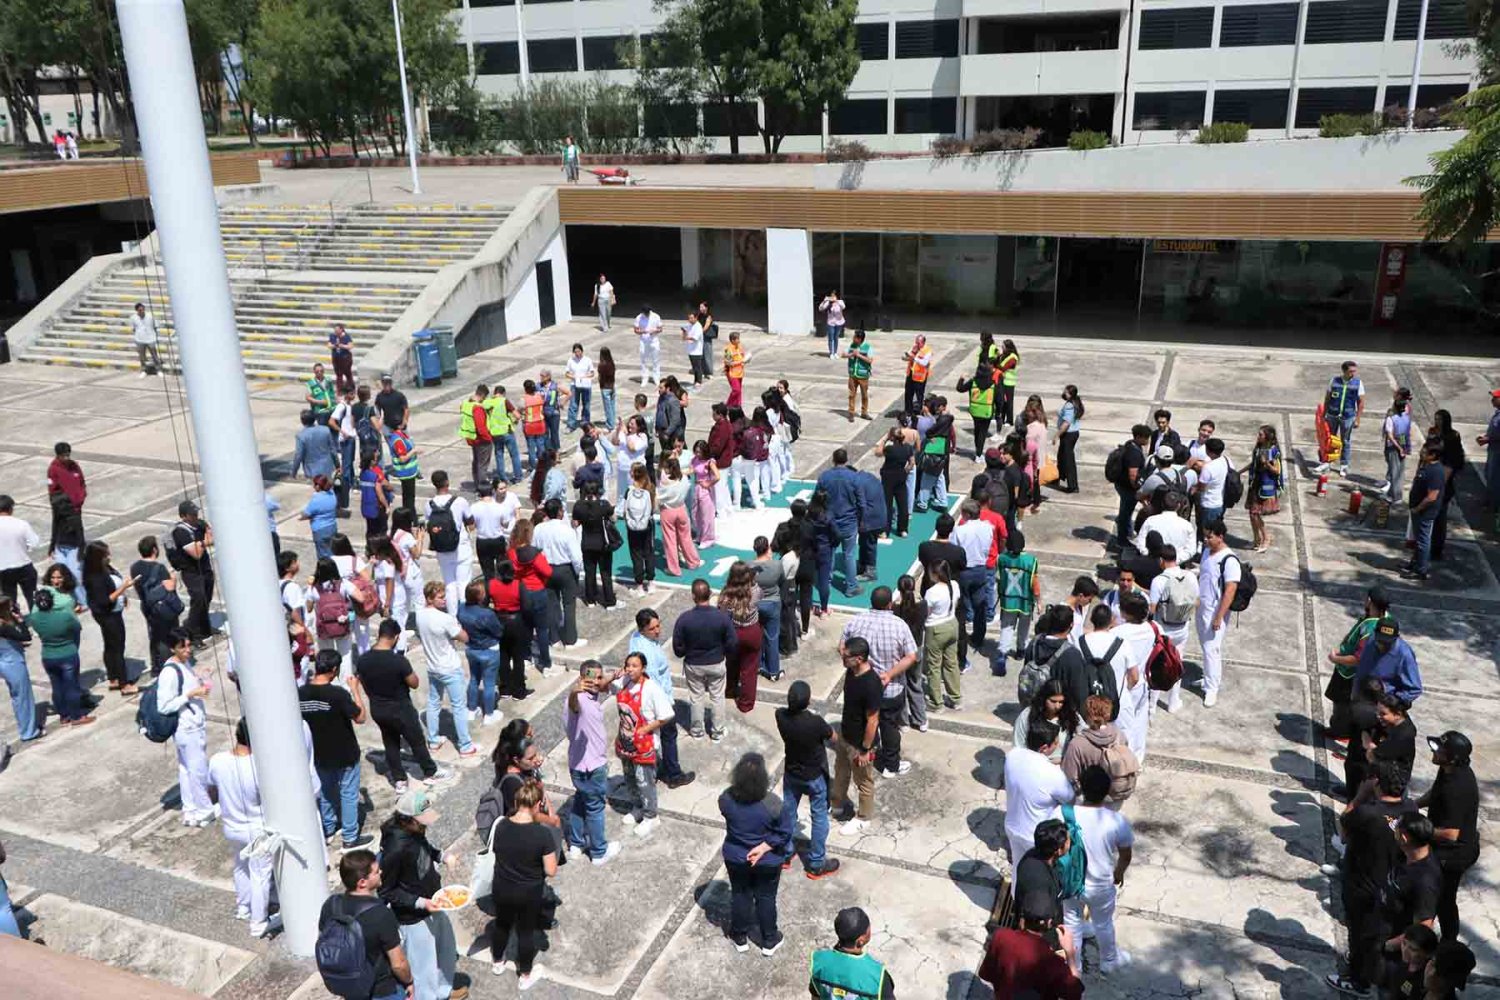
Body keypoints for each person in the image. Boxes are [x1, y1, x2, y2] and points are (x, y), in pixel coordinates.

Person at [377, 791, 463, 1000]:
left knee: (445, 949)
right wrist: (420, 903)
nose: (425, 826)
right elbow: (386, 891)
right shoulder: (395, 847)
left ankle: (442, 992)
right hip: (413, 916)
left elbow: (424, 848)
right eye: (421, 821)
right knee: (423, 969)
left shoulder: (414, 832)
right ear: (407, 820)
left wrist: (442, 856)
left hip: (433, 901)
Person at [355, 620, 451, 791]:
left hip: (378, 709)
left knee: (390, 743)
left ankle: (399, 780)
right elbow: (414, 683)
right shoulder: (398, 661)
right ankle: (430, 772)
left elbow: (362, 681)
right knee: (417, 741)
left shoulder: (363, 660)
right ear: (396, 636)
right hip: (400, 709)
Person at [206, 720, 279, 937]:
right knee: (260, 875)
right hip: (256, 829)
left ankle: (243, 907)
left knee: (240, 867)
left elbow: (211, 791)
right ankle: (258, 922)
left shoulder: (218, 760)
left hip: (231, 826)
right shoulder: (260, 766)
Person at [1062, 765, 1135, 973]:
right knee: (1103, 923)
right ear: (1107, 791)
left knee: (1071, 922)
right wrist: (1118, 873)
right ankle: (1109, 961)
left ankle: (1074, 966)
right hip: (1101, 885)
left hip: (1071, 883)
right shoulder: (1117, 821)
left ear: (1081, 788)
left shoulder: (1063, 813)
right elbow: (1125, 855)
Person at [719, 752, 793, 955]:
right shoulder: (773, 804)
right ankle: (769, 939)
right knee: (766, 897)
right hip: (767, 862)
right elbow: (786, 832)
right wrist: (765, 846)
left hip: (736, 857)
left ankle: (739, 935)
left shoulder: (726, 799)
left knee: (740, 894)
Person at [487, 776, 557, 991]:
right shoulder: (542, 834)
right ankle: (525, 974)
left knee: (502, 924)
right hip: (528, 892)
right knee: (526, 931)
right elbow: (551, 871)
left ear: (516, 803)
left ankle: (498, 962)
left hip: (502, 886)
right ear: (537, 805)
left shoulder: (500, 826)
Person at [841, 586, 918, 776]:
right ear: (890, 604)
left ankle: (866, 748)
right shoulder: (899, 625)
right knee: (889, 725)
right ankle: (891, 765)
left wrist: (855, 669)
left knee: (865, 719)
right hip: (890, 688)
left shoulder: (856, 621)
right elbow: (911, 656)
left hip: (861, 685)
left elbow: (842, 648)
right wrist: (890, 674)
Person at [319, 850, 414, 1000]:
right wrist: (409, 981)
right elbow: (399, 964)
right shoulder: (381, 914)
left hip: (352, 988)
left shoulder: (331, 905)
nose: (381, 872)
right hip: (382, 990)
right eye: (376, 872)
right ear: (362, 882)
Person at [775, 680, 842, 881]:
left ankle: (785, 854)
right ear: (808, 701)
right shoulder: (815, 722)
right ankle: (816, 863)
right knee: (819, 816)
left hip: (792, 773)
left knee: (788, 811)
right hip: (814, 776)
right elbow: (834, 737)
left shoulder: (780, 716)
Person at [1417, 731, 1478, 942]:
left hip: (1453, 854)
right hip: (1443, 845)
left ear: (1452, 757)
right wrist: (1412, 805)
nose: (1434, 752)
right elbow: (1435, 793)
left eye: (1439, 751)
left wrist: (1420, 830)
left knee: (1442, 898)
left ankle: (1447, 941)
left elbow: (1451, 834)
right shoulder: (1447, 769)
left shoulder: (1458, 787)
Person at [562, 661, 621, 865]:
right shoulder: (577, 700)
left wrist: (612, 677)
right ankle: (598, 852)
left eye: (598, 677)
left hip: (576, 766)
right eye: (592, 678)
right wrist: (573, 692)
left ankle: (576, 843)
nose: (596, 681)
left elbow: (599, 684)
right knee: (595, 808)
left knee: (580, 800)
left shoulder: (588, 693)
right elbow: (575, 705)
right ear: (580, 679)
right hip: (592, 766)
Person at [629, 609, 694, 788]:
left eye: (658, 625)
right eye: (652, 628)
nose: (657, 631)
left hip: (650, 698)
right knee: (668, 735)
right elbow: (654, 682)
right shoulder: (646, 652)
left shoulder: (639, 639)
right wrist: (666, 705)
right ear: (642, 629)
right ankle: (673, 774)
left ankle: (656, 768)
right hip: (658, 701)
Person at [978, 890, 1084, 1000]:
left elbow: (987, 974)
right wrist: (1070, 954)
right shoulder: (1053, 962)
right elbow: (1075, 993)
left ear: (1022, 918)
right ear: (1049, 922)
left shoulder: (1001, 936)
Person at [154, 630, 210, 821]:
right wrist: (190, 695)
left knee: (186, 769)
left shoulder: (184, 663)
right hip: (187, 727)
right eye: (182, 647)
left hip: (192, 724)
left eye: (188, 645)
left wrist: (200, 679)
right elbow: (164, 706)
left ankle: (190, 809)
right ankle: (204, 809)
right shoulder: (169, 673)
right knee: (197, 770)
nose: (188, 650)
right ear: (172, 649)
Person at [831, 636, 882, 836]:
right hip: (845, 734)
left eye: (847, 656)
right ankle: (838, 803)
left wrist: (865, 749)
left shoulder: (871, 684)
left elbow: (873, 720)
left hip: (860, 743)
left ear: (859, 658)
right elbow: (841, 648)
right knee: (841, 770)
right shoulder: (851, 670)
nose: (843, 657)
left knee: (864, 781)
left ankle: (863, 817)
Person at [674, 578, 737, 741]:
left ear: (693, 596)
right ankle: (717, 731)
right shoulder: (722, 617)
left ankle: (696, 731)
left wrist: (688, 651)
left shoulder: (684, 619)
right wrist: (722, 653)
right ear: (709, 594)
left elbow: (678, 648)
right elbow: (732, 642)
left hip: (694, 664)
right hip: (716, 662)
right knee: (717, 697)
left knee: (696, 698)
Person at [1003, 718, 1074, 861]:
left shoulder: (1012, 756)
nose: (1058, 744)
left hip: (1012, 827)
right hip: (1035, 836)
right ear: (1044, 748)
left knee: (1018, 867)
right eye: (1055, 742)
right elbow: (1070, 798)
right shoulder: (1053, 773)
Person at [28, 580, 94, 730]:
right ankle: (76, 716)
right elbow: (77, 628)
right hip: (67, 654)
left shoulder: (35, 619)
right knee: (71, 686)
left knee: (57, 686)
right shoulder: (64, 616)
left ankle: (64, 716)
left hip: (48, 656)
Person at [82, 540, 138, 697]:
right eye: (106, 555)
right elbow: (105, 600)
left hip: (109, 612)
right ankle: (124, 683)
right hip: (108, 615)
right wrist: (123, 588)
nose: (109, 556)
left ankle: (113, 678)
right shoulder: (95, 577)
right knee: (117, 647)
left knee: (110, 645)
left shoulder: (101, 569)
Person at [1195, 519, 1239, 708]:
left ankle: (1212, 688)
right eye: (1205, 536)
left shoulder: (1229, 561)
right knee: (1205, 645)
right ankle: (1207, 677)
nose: (1205, 540)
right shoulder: (1206, 551)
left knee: (1212, 648)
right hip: (1202, 607)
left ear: (1220, 537)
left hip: (1215, 611)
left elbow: (1230, 591)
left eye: (1209, 537)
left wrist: (1219, 617)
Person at [808, 907, 893, 999]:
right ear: (860, 941)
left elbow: (815, 995)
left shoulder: (820, 962)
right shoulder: (877, 976)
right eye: (868, 928)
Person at [816, 448, 866, 600]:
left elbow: (817, 499)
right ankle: (851, 586)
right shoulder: (854, 478)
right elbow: (862, 503)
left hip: (830, 522)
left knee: (829, 553)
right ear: (846, 460)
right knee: (849, 555)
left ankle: (826, 582)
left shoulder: (824, 477)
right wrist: (860, 520)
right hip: (849, 522)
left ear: (833, 459)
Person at [456, 581, 504, 730]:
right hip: (489, 650)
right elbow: (498, 631)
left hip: (472, 649)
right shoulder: (487, 614)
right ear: (478, 597)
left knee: (474, 679)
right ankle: (489, 714)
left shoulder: (461, 609)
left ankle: (471, 709)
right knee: (489, 683)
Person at [425, 471, 475, 613]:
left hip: (442, 550)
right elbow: (471, 524)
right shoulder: (460, 501)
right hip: (460, 548)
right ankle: (465, 615)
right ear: (447, 482)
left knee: (450, 585)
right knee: (463, 584)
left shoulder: (429, 505)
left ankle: (453, 616)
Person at [718, 563, 764, 713]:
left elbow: (721, 609)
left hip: (733, 631)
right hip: (751, 631)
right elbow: (760, 596)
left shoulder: (726, 593)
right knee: (749, 669)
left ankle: (730, 690)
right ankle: (746, 704)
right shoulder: (755, 591)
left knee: (731, 663)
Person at [1353, 615, 1423, 706]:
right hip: (1363, 695)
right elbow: (1362, 669)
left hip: (1386, 702)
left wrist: (1395, 699)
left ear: (1396, 638)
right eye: (1380, 641)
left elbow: (1415, 689)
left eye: (1387, 643)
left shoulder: (1404, 654)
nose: (1382, 646)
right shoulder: (1370, 640)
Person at [921, 560, 962, 713]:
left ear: (937, 574)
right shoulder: (955, 585)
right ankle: (955, 698)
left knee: (934, 666)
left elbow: (927, 612)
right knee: (951, 662)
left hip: (936, 629)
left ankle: (936, 702)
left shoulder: (932, 592)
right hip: (952, 624)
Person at [1401, 442, 1445, 582]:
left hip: (1424, 512)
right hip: (1417, 510)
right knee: (1417, 539)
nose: (1422, 453)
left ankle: (1421, 570)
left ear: (1433, 455)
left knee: (1423, 541)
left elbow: (1432, 496)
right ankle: (1414, 563)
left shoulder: (1436, 471)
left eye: (1425, 452)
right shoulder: (1426, 465)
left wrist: (1418, 508)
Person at [1317, 360, 1365, 477]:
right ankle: (1326, 462)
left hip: (1347, 417)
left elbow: (1361, 402)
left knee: (1345, 441)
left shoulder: (1358, 383)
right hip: (1333, 414)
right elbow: (1327, 398)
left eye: (1354, 371)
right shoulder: (1334, 381)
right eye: (1350, 371)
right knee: (1329, 439)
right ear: (1344, 371)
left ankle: (1344, 465)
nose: (1353, 374)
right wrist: (1324, 414)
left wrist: (1358, 419)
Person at [1013, 679, 1078, 764]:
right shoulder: (1027, 715)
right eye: (1053, 701)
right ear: (1044, 699)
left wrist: (1065, 760)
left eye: (1061, 702)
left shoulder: (1071, 715)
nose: (1057, 706)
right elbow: (1018, 745)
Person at [0, 598, 38, 742]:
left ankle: (25, 727)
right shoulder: (3, 627)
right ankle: (29, 731)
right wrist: (21, 621)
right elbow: (26, 637)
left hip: (4, 663)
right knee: (23, 697)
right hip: (13, 663)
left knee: (17, 696)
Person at [1112, 424, 1150, 550]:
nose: (1147, 440)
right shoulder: (1134, 453)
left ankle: (1127, 533)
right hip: (1127, 488)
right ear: (1138, 437)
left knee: (1126, 512)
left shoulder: (1130, 444)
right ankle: (1122, 540)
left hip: (1122, 485)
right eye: (1145, 437)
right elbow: (1133, 475)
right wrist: (1137, 489)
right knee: (1125, 513)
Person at [752, 538, 784, 681]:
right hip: (772, 603)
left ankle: (757, 665)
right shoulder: (777, 565)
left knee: (756, 635)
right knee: (772, 636)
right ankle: (773, 670)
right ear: (767, 548)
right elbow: (782, 581)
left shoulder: (748, 566)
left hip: (755, 603)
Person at [0, 496, 39, 613]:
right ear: (11, 509)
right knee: (32, 597)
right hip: (23, 565)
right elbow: (34, 543)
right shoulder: (21, 524)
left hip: (3, 569)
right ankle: (38, 619)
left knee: (10, 600)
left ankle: (17, 624)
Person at [459, 384, 494, 491]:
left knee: (476, 462)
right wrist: (489, 438)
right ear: (482, 395)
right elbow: (481, 427)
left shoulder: (465, 404)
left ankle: (476, 483)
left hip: (471, 437)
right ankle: (482, 487)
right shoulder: (477, 408)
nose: (484, 400)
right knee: (482, 465)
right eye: (484, 398)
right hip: (482, 439)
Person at [1378, 400, 1413, 504]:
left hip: (1393, 448)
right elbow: (1403, 434)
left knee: (1394, 472)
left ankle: (1395, 497)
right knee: (1400, 471)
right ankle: (1392, 494)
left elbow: (1390, 436)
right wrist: (1403, 447)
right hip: (1403, 446)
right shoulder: (1406, 418)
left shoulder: (1391, 419)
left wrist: (1399, 447)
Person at [301, 475, 339, 561]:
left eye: (314, 484)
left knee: (323, 555)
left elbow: (306, 514)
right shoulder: (332, 494)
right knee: (332, 552)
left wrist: (301, 516)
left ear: (318, 486)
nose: (313, 486)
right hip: (332, 527)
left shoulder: (316, 499)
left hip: (320, 530)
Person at [1478, 389, 1500, 534]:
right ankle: (1490, 502)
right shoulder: (1497, 414)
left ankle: (1494, 506)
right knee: (1489, 475)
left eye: (1495, 398)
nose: (1492, 400)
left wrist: (1488, 439)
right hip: (1493, 450)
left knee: (1495, 479)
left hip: (1497, 452)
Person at [1055, 384, 1083, 493]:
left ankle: (1073, 486)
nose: (1063, 393)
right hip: (1072, 434)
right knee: (1061, 456)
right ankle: (1058, 477)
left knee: (1068, 460)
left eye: (1065, 392)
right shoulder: (1075, 403)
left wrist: (1057, 435)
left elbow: (1066, 424)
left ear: (1070, 395)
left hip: (1068, 435)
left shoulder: (1069, 406)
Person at [842, 327, 873, 421]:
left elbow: (870, 360)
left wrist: (859, 355)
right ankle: (851, 413)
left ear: (859, 339)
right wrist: (851, 354)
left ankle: (864, 412)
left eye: (855, 337)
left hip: (863, 376)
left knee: (864, 395)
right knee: (851, 394)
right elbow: (843, 355)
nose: (853, 338)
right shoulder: (852, 345)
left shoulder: (868, 347)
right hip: (852, 375)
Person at [901, 335, 932, 415]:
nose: (916, 344)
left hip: (920, 377)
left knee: (919, 396)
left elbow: (924, 363)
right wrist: (909, 355)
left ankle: (919, 412)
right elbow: (905, 357)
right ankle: (908, 411)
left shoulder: (927, 351)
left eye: (918, 343)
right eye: (916, 342)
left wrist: (914, 358)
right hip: (911, 374)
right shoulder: (914, 348)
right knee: (908, 394)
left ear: (923, 342)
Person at [131, 302, 162, 376]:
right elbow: (134, 328)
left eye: (142, 310)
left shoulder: (150, 316)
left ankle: (158, 369)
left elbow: (156, 326)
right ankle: (144, 370)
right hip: (140, 339)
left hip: (150, 338)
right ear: (137, 311)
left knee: (154, 355)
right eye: (140, 310)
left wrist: (154, 336)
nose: (142, 312)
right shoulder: (133, 318)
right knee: (142, 356)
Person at [635, 304, 663, 384]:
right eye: (645, 313)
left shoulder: (656, 316)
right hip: (643, 341)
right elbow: (636, 329)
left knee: (656, 360)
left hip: (654, 340)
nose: (646, 314)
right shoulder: (639, 317)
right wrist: (642, 332)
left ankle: (656, 378)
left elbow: (660, 328)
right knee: (644, 360)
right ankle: (644, 378)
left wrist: (654, 331)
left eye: (648, 312)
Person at [995, 339, 1020, 428]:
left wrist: (995, 363)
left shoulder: (1013, 358)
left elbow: (1003, 368)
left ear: (1008, 348)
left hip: (1009, 382)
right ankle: (1002, 417)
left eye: (1003, 346)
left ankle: (1009, 420)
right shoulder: (1005, 355)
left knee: (1009, 402)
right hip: (1003, 381)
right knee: (1003, 401)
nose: (1002, 348)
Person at [723, 331, 751, 410]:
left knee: (739, 390)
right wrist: (740, 362)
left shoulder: (739, 347)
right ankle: (728, 405)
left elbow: (742, 356)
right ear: (732, 340)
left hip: (739, 372)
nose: (739, 341)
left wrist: (746, 360)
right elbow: (728, 362)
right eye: (737, 339)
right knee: (736, 390)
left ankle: (738, 405)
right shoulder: (728, 349)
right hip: (731, 373)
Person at [328, 322, 355, 393]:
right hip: (336, 358)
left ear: (341, 329)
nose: (335, 331)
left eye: (337, 330)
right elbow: (329, 345)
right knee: (339, 375)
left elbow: (350, 346)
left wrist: (342, 346)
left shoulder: (346, 336)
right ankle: (339, 390)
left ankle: (351, 388)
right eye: (335, 330)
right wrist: (335, 345)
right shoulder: (332, 336)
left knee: (348, 373)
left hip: (345, 358)